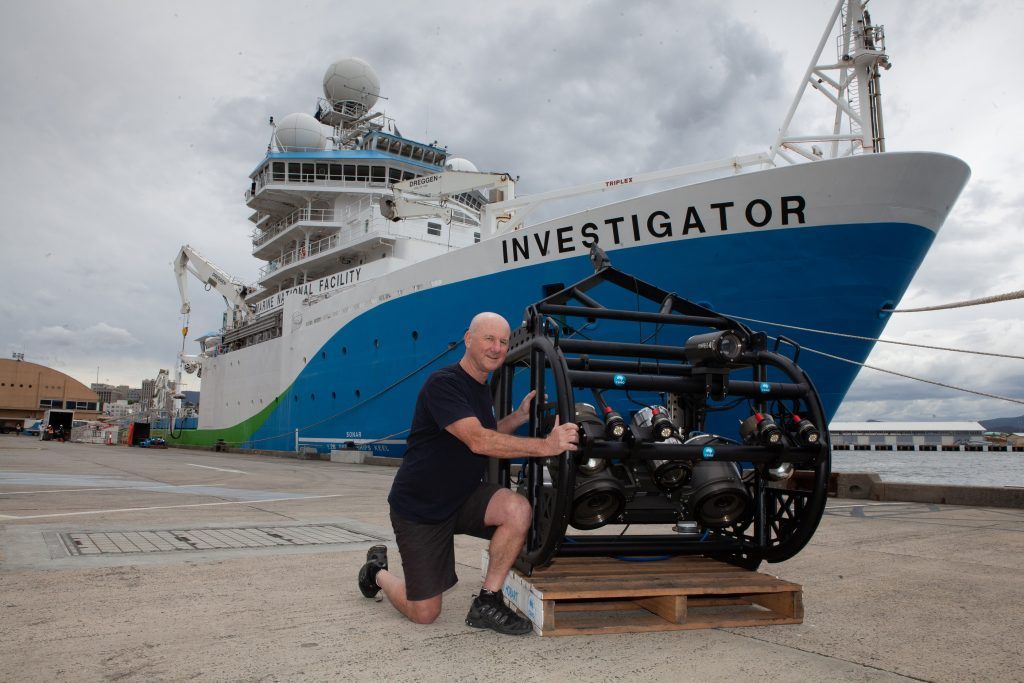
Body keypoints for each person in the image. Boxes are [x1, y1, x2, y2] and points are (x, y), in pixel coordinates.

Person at [357, 311, 579, 635]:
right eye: (489, 338)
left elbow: (485, 433)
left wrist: (518, 417)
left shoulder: (480, 388)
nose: (497, 348)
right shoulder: (444, 383)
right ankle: (375, 572)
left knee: (517, 510)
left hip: (462, 497)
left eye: (503, 341)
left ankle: (488, 601)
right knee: (425, 612)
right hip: (421, 509)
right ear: (468, 339)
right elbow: (478, 441)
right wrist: (547, 445)